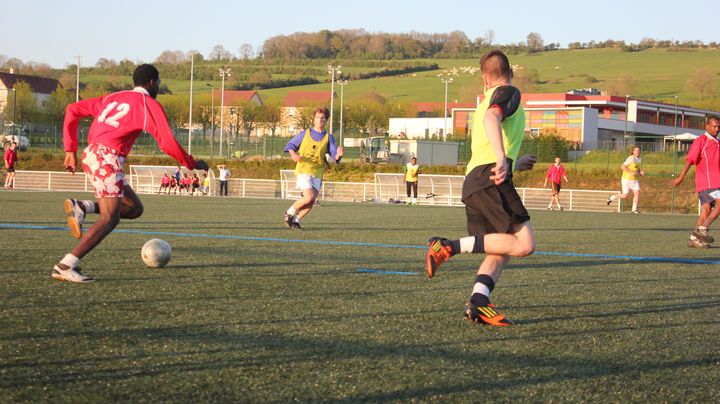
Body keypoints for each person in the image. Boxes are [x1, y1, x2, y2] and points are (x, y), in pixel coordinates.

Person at [55, 64, 208, 283]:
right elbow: (167, 143)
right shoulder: (148, 105)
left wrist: (70, 150)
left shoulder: (112, 98)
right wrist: (191, 162)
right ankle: (66, 265)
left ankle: (83, 207)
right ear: (152, 82)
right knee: (110, 219)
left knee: (134, 208)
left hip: (93, 155)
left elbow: (72, 109)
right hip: (107, 157)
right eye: (159, 83)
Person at [424, 50, 538, 327]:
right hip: (490, 178)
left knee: (501, 248)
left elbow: (488, 135)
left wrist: (512, 161)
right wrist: (502, 158)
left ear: (484, 78)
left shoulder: (484, 98)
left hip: (476, 179)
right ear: (508, 73)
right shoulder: (509, 92)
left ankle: (479, 303)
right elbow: (492, 119)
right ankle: (446, 246)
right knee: (524, 245)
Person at [283, 106, 344, 230]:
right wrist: (293, 154)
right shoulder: (305, 133)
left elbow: (333, 155)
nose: (320, 120)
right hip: (304, 168)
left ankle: (296, 221)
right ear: (314, 119)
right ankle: (289, 213)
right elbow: (290, 145)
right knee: (308, 197)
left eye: (322, 118)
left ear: (326, 120)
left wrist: (338, 155)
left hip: (318, 171)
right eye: (317, 117)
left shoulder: (329, 137)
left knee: (311, 201)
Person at [671, 116, 720, 248]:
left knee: (706, 209)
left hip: (715, 182)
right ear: (707, 127)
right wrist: (681, 177)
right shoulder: (701, 141)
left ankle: (694, 238)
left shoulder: (718, 142)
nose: (717, 129)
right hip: (708, 182)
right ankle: (703, 229)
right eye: (714, 126)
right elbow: (690, 160)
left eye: (718, 127)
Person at [607, 145, 644, 214]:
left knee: (637, 193)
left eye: (639, 151)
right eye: (636, 150)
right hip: (626, 179)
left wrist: (640, 171)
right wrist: (631, 172)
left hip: (634, 180)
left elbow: (636, 168)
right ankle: (611, 197)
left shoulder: (639, 159)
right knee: (624, 196)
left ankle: (634, 210)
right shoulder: (630, 158)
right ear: (633, 152)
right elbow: (622, 167)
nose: (638, 152)